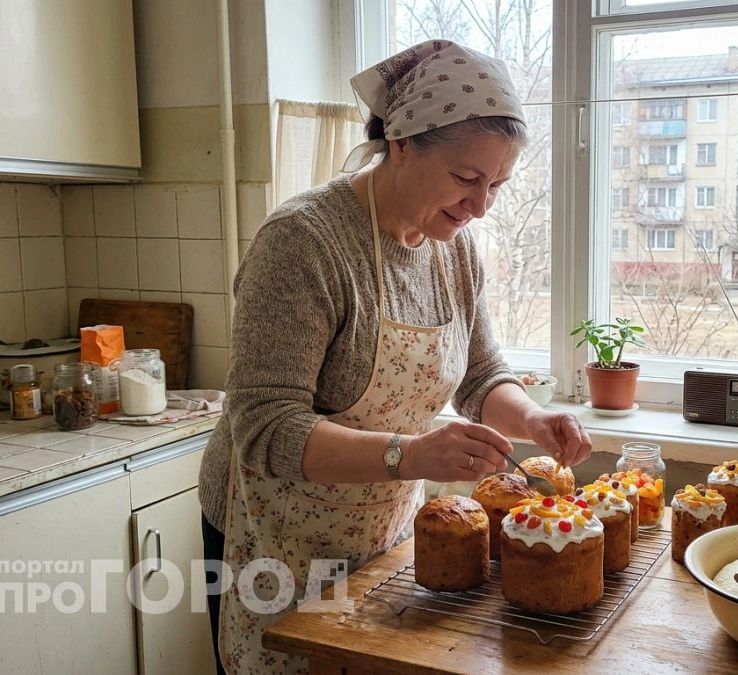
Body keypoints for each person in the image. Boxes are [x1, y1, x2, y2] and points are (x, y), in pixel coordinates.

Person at [196, 39, 593, 675]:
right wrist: (409, 455)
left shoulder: (454, 250)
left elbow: (483, 374)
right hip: (274, 530)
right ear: (403, 144)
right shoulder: (303, 243)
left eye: (497, 184)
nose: (480, 204)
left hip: (380, 529)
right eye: (466, 178)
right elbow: (264, 429)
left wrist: (532, 421)